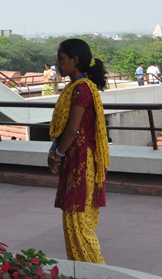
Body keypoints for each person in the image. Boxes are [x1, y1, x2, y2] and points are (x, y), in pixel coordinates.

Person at [47, 38, 109, 264]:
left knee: (79, 224)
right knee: (78, 223)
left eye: (61, 59)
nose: (57, 63)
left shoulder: (80, 90)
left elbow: (72, 130)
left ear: (74, 61)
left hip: (80, 163)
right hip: (80, 161)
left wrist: (57, 155)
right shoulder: (78, 88)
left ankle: (96, 273)